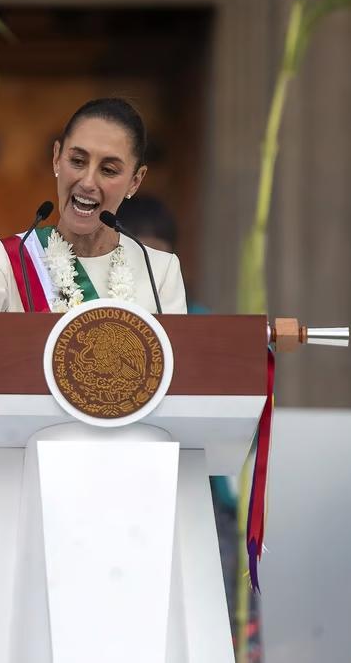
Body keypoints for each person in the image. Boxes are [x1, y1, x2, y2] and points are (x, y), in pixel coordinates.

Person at [0, 98, 187, 662]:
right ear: (55, 160)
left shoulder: (157, 270)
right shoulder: (8, 258)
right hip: (21, 492)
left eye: (109, 168)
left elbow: (179, 384)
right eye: (77, 160)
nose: (88, 181)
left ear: (136, 180)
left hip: (126, 504)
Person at [117, 192, 260, 660]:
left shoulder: (199, 324)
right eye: (139, 254)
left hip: (197, 497)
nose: (150, 269)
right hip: (116, 503)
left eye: (161, 256)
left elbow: (242, 392)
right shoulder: (89, 324)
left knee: (203, 631)